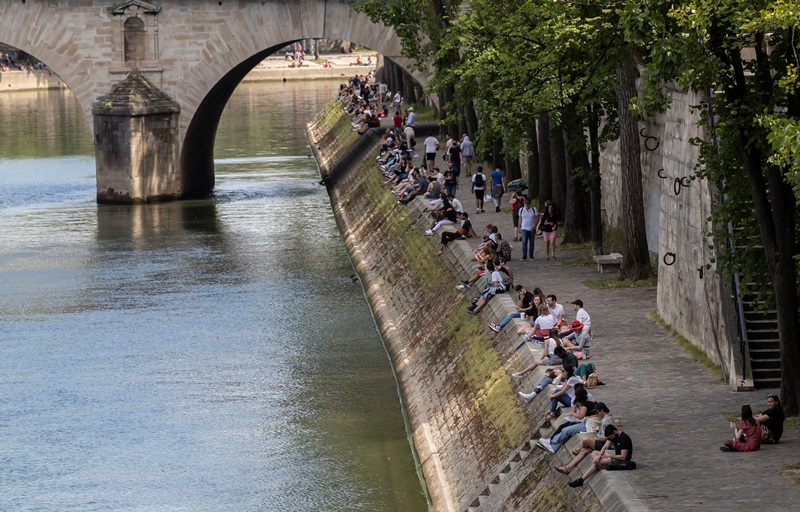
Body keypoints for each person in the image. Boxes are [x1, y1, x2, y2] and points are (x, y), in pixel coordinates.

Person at [567, 425, 634, 487]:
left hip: (621, 460)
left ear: (615, 432)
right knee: (594, 453)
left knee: (598, 462)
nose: (611, 438)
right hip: (613, 455)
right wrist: (599, 456)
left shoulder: (624, 439)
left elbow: (623, 456)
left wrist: (610, 456)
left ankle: (581, 480)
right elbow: (605, 446)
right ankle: (602, 464)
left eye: (611, 436)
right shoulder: (613, 436)